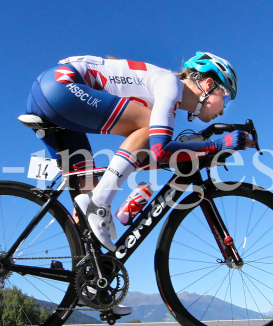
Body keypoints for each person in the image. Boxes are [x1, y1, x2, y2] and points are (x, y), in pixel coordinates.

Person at [26, 52, 254, 255]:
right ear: (208, 84)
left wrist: (192, 150)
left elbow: (143, 157)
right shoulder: (170, 84)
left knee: (87, 199)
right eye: (225, 97)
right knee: (148, 126)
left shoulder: (162, 94)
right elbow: (161, 150)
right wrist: (217, 145)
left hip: (49, 90)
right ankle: (99, 204)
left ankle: (92, 284)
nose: (224, 109)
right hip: (61, 85)